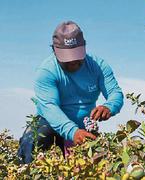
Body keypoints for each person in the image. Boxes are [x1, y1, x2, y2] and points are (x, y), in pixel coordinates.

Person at [18, 21, 124, 164]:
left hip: (84, 125)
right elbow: (50, 107)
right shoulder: (46, 71)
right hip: (49, 122)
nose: (73, 61)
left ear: (84, 47)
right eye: (67, 57)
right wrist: (72, 132)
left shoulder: (99, 66)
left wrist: (109, 106)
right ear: (54, 50)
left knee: (92, 166)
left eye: (77, 55)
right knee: (30, 143)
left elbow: (115, 93)